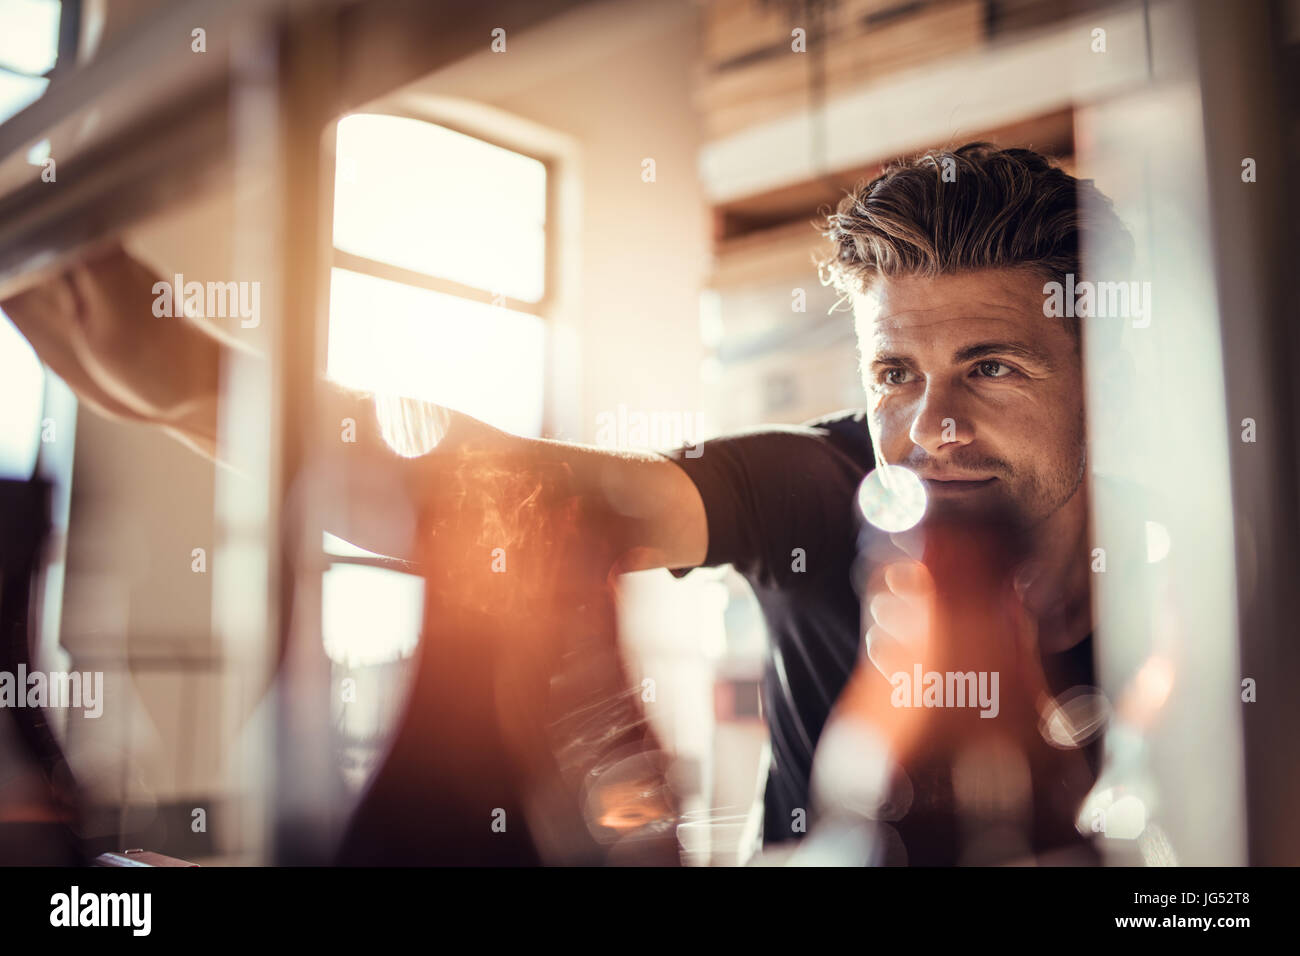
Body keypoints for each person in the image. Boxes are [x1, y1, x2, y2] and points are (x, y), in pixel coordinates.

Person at [0, 141, 1133, 862]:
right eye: (894, 374)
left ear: (1112, 377)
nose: (929, 428)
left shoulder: (1211, 557)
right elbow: (518, 495)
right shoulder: (823, 486)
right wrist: (195, 383)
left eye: (992, 366)